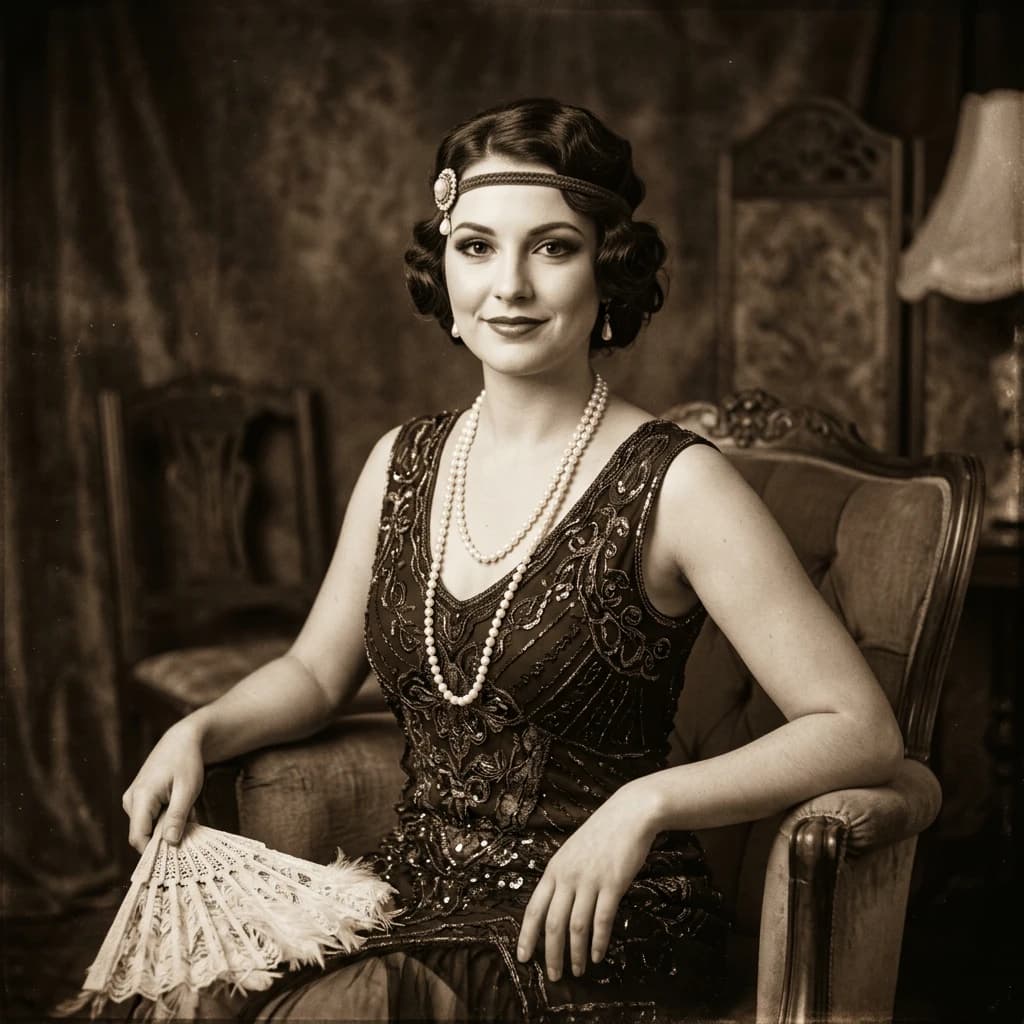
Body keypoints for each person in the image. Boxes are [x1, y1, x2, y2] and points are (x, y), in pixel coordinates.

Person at [122, 97, 904, 1022]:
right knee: (198, 992)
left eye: (554, 247)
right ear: (444, 266)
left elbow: (859, 727)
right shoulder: (402, 462)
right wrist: (198, 731)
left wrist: (644, 805)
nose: (511, 287)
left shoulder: (678, 483)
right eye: (479, 246)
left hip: (596, 922)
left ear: (606, 271)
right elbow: (313, 671)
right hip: (413, 902)